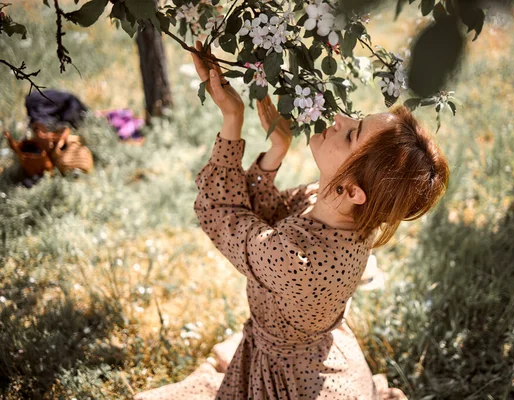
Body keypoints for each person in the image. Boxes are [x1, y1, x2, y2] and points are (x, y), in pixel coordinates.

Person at [135, 40, 449, 400]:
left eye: (351, 134)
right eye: (355, 120)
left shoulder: (297, 261)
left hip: (288, 382)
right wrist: (276, 151)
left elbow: (221, 213)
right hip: (318, 356)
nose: (339, 119)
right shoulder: (344, 211)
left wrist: (232, 120)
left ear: (352, 190)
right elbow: (266, 216)